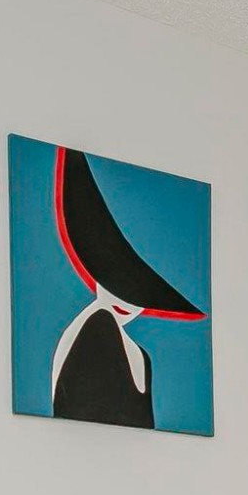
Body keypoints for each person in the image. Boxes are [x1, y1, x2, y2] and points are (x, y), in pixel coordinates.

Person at [45, 147, 204, 428]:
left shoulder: (140, 354)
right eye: (118, 276)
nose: (129, 302)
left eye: (145, 292)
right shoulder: (98, 325)